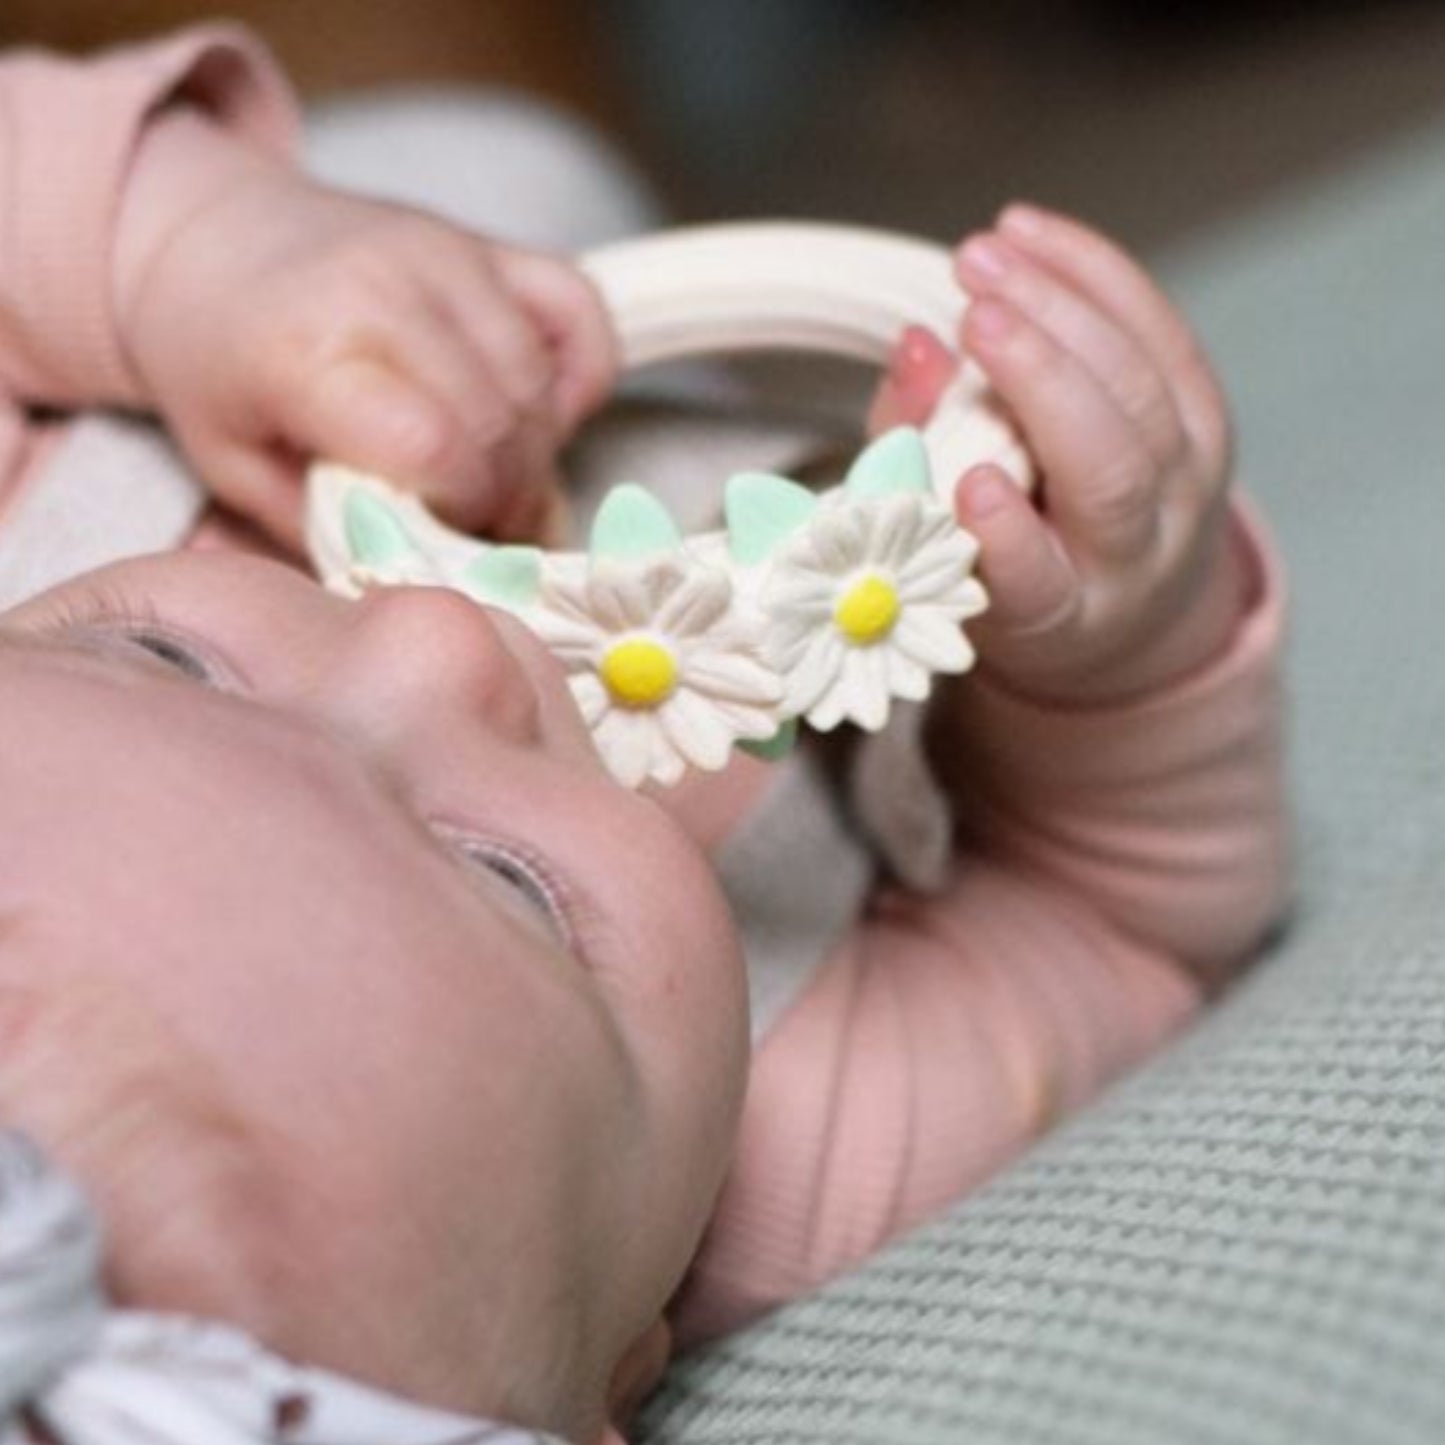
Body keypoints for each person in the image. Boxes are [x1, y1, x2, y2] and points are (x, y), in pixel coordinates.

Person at [0, 21, 1288, 1445]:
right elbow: (1123, 929)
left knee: (485, 165)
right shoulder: (738, 1157)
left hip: (324, 181)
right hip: (756, 436)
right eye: (509, 882)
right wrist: (1109, 644)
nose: (443, 641)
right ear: (615, 1373)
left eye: (161, 655)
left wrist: (184, 246)